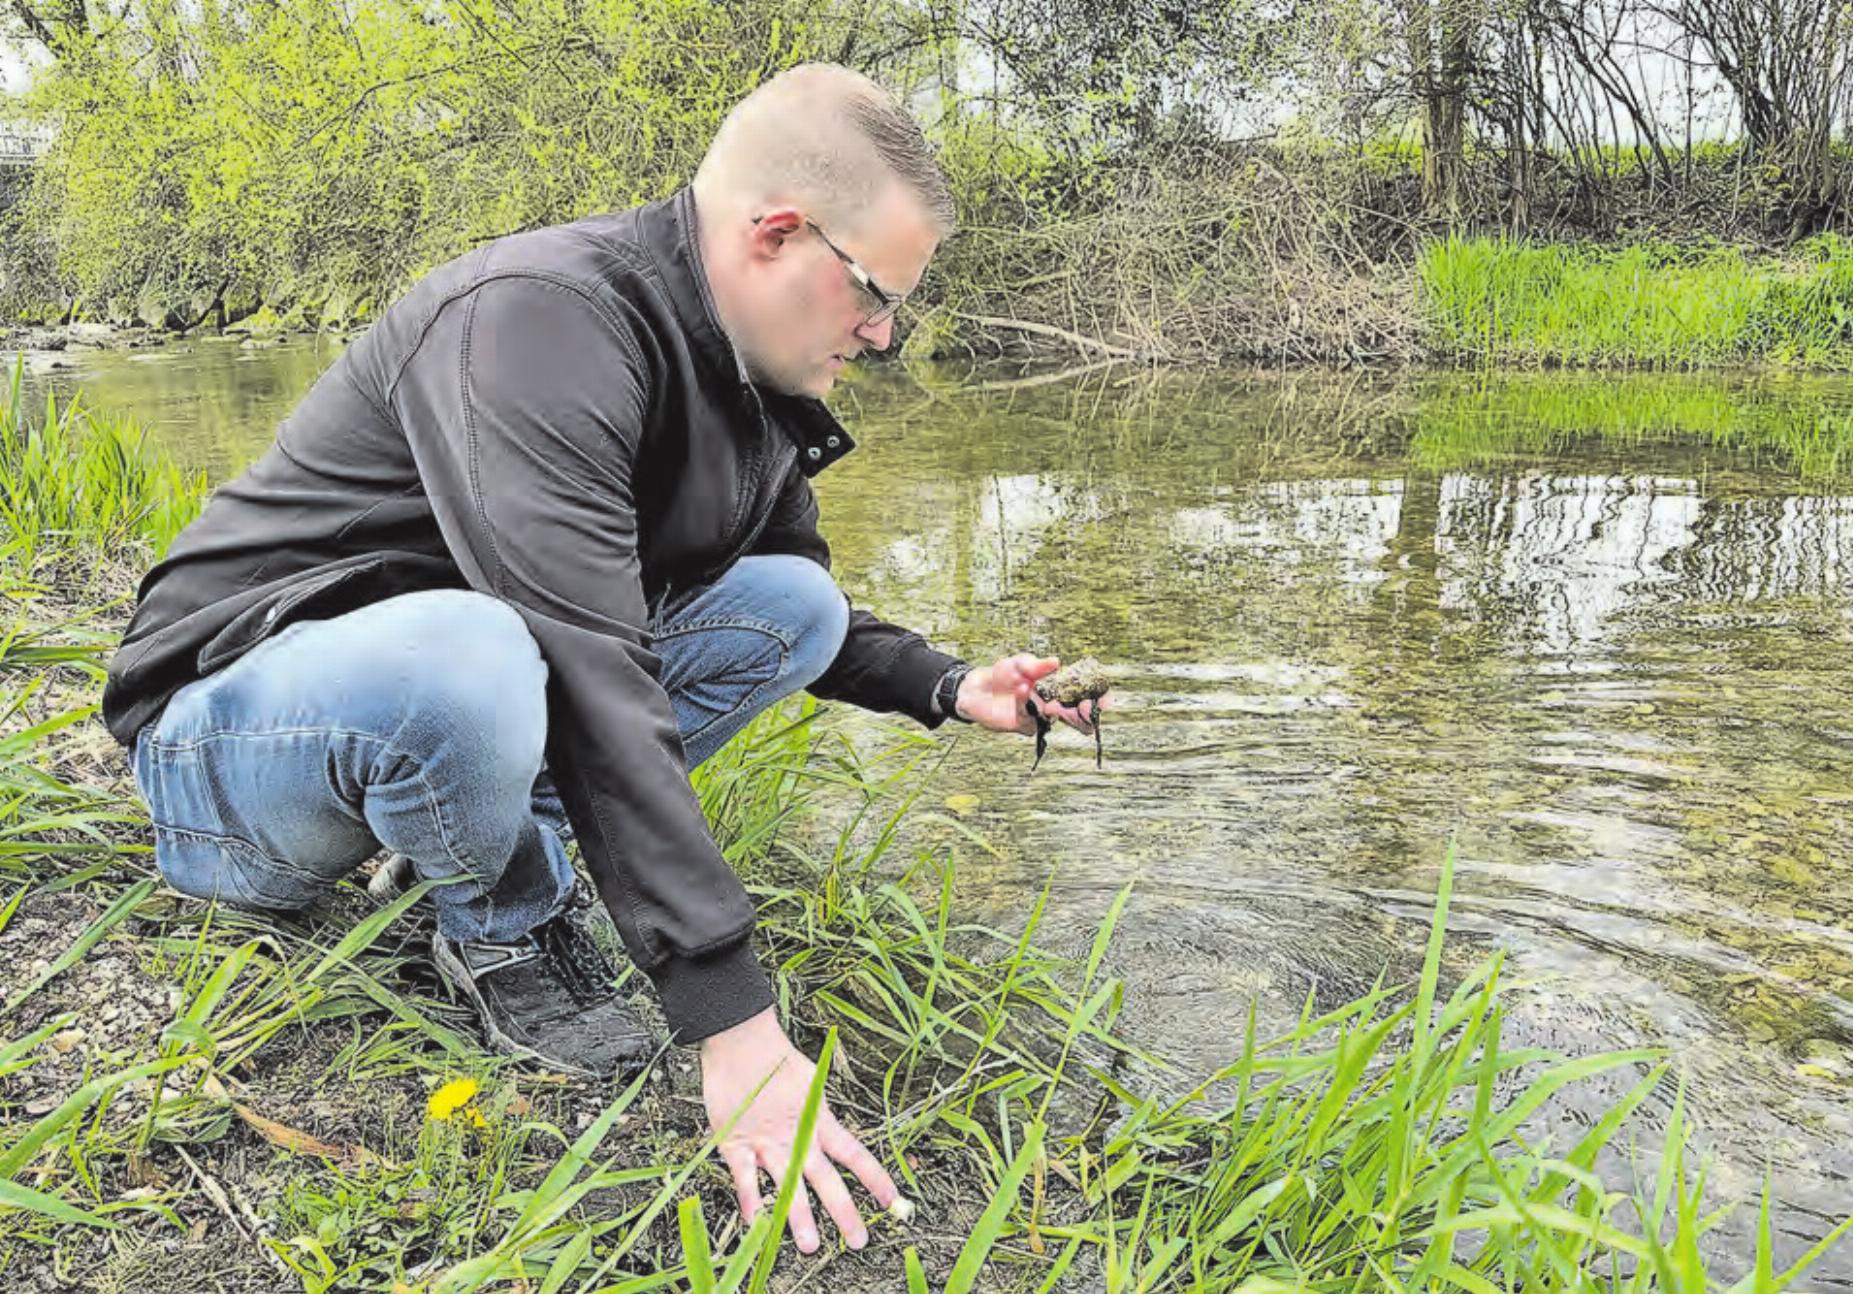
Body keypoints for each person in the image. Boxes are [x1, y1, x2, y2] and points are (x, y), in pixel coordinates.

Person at [101, 63, 1110, 1256]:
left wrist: (944, 684)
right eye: (877, 292)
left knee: (791, 602)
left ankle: (472, 846)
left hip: (443, 707)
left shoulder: (747, 381)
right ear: (777, 233)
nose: (886, 333)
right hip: (230, 740)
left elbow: (786, 603)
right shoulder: (537, 320)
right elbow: (589, 656)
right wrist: (729, 1014)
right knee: (474, 653)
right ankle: (499, 919)